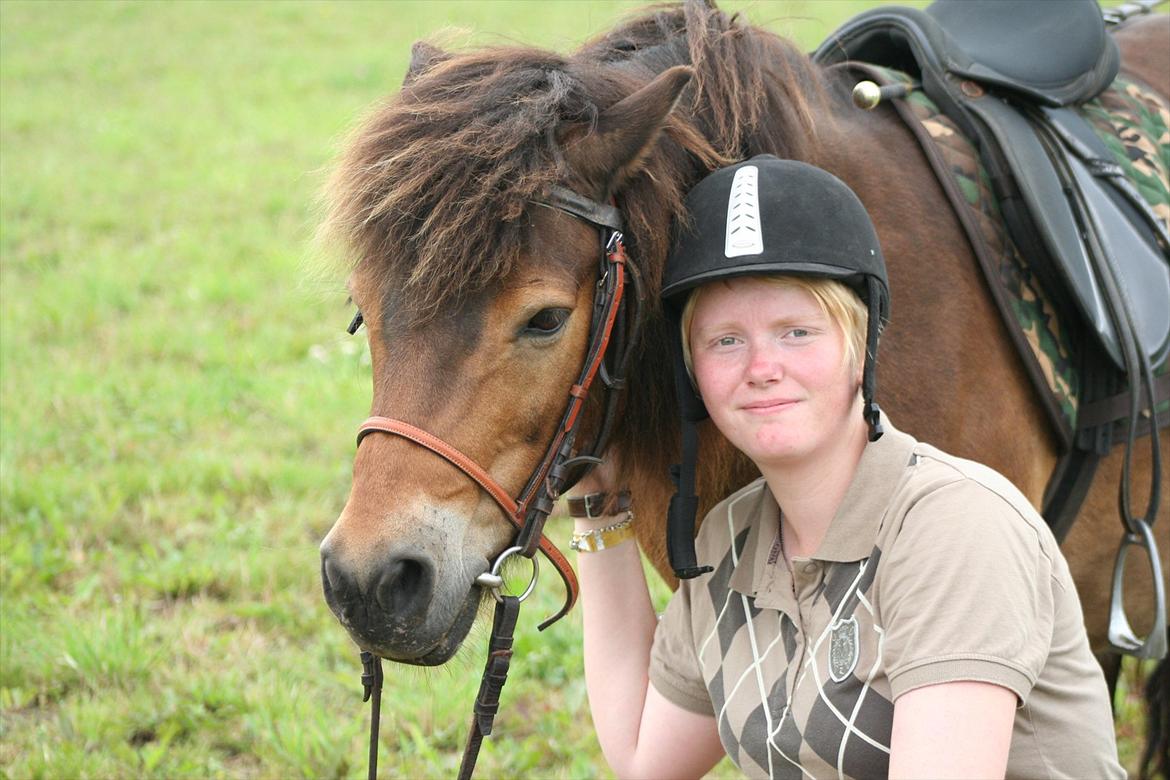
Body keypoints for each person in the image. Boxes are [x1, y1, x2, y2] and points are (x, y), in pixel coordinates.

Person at [568, 156, 1124, 779]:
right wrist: (596, 500)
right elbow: (647, 760)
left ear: (862, 348)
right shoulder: (726, 542)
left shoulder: (956, 529)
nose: (761, 366)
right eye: (725, 339)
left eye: (797, 331)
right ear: (692, 372)